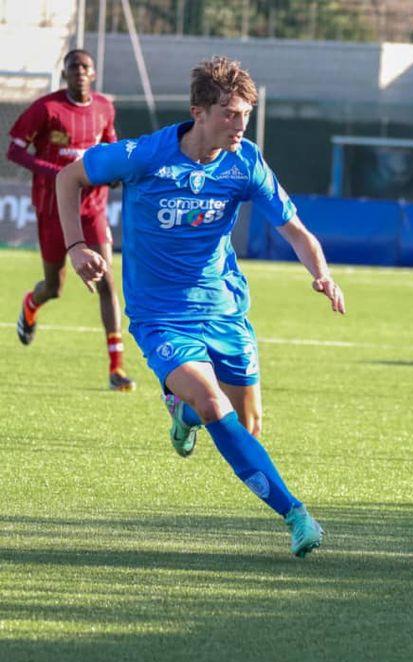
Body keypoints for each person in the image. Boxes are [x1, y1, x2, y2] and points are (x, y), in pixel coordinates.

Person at [56, 56, 344, 558]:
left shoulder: (246, 163)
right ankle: (297, 515)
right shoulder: (146, 155)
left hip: (224, 311)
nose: (240, 125)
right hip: (160, 314)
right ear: (199, 112)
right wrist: (76, 246)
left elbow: (295, 230)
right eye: (230, 114)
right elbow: (68, 178)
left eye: (246, 115)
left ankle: (182, 414)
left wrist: (320, 272)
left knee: (247, 424)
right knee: (215, 405)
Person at [7, 49, 135, 390]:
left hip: (92, 207)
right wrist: (55, 172)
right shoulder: (46, 108)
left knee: (107, 281)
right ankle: (31, 303)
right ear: (64, 74)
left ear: (93, 74)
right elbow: (14, 150)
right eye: (72, 66)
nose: (79, 71)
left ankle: (116, 368)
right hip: (53, 209)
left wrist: (114, 172)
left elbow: (111, 148)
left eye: (85, 66)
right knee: (55, 287)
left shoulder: (104, 108)